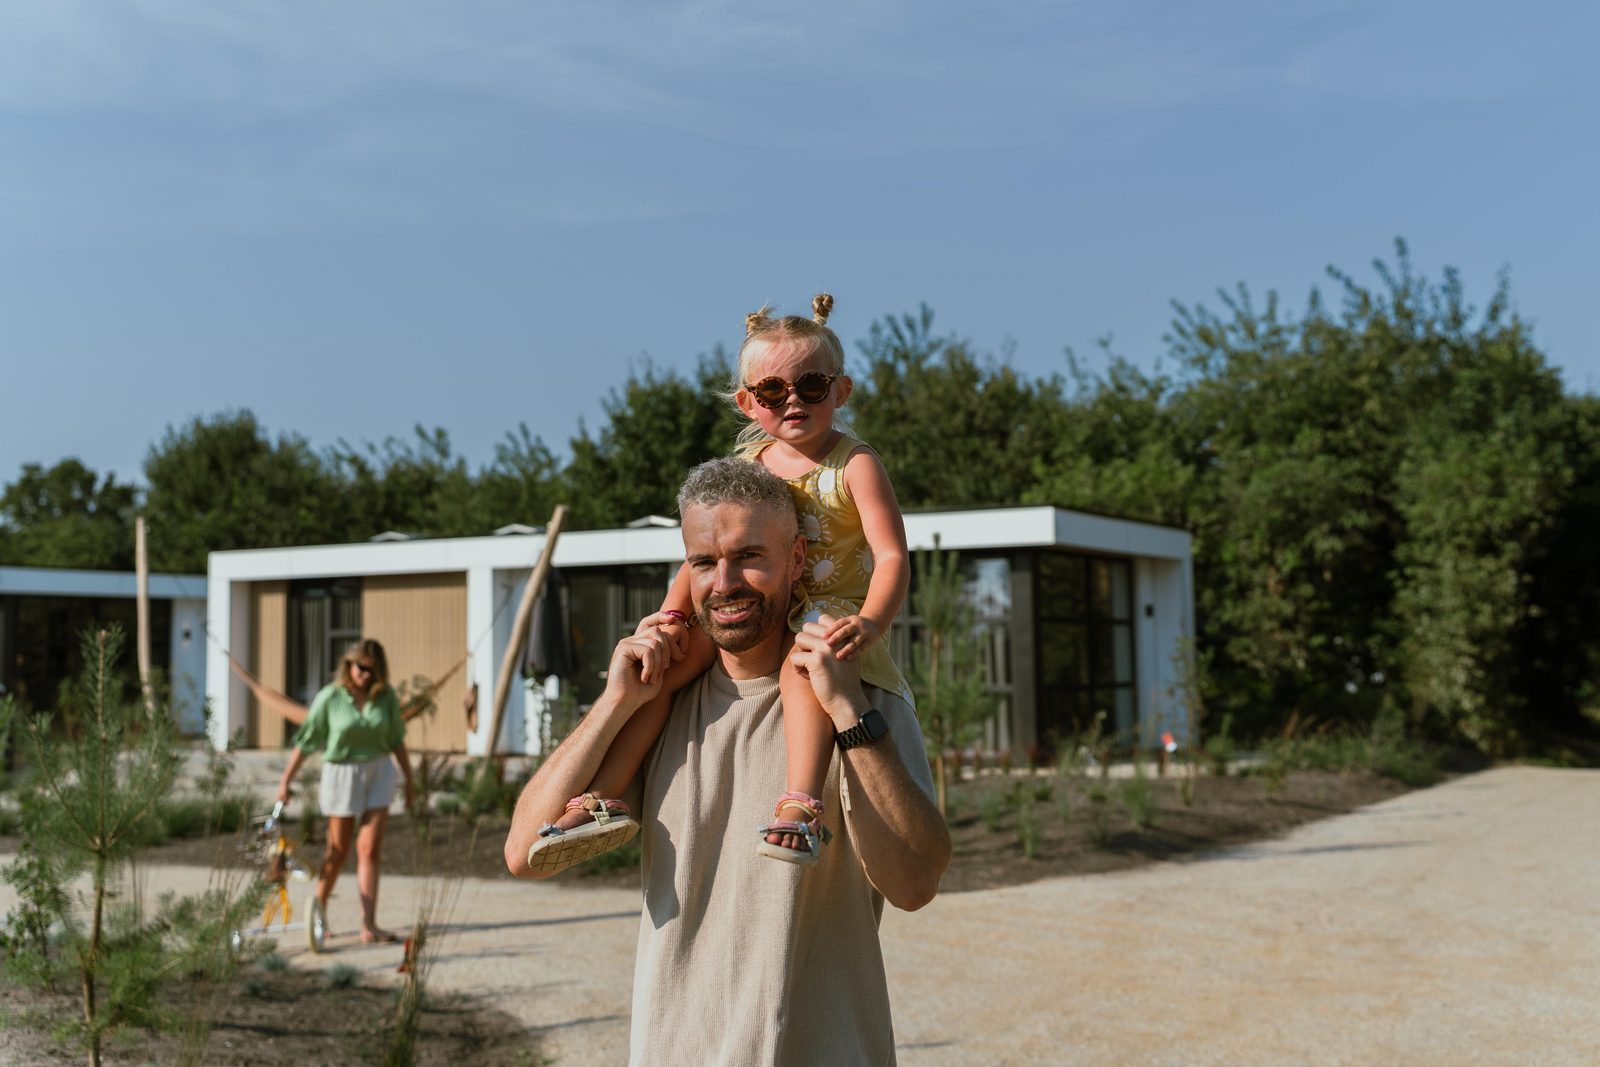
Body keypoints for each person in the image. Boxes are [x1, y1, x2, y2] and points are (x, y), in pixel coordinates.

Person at [505, 458, 950, 1066]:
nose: (725, 582)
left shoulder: (865, 707)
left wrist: (846, 707)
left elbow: (914, 884)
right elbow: (523, 853)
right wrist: (615, 700)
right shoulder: (661, 705)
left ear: (797, 561)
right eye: (704, 563)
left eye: (749, 557)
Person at [529, 293, 913, 872]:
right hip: (757, 605)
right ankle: (607, 795)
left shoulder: (854, 463)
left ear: (841, 390)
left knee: (801, 666)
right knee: (670, 671)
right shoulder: (753, 466)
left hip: (826, 610)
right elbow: (704, 557)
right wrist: (673, 616)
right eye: (772, 391)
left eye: (810, 386)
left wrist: (872, 621)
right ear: (747, 402)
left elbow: (891, 557)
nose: (792, 402)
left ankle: (800, 803)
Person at [276, 638, 415, 944]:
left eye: (373, 670)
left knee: (369, 849)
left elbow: (396, 739)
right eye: (361, 667)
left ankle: (369, 924)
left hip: (379, 771)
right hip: (341, 774)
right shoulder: (330, 696)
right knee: (337, 852)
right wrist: (286, 779)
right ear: (349, 665)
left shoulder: (386, 697)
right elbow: (307, 739)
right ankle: (318, 914)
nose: (366, 674)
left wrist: (409, 779)